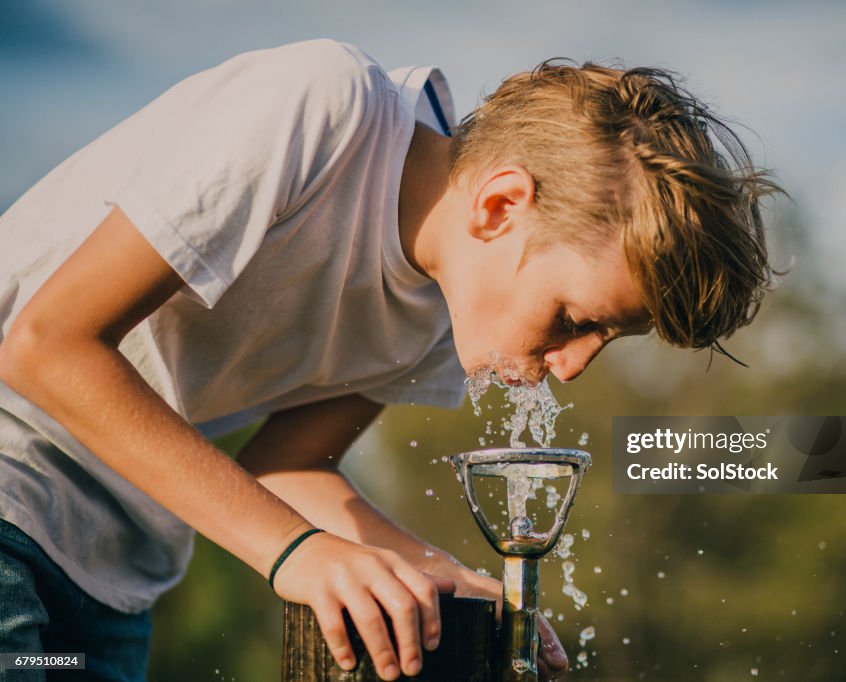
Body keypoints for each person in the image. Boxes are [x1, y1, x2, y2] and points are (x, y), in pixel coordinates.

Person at [0, 39, 781, 681]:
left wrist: (434, 572)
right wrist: (297, 553)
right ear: (501, 206)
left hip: (112, 573)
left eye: (604, 340)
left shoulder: (447, 312)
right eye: (575, 319)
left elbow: (286, 465)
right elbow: (44, 345)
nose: (573, 366)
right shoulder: (320, 111)